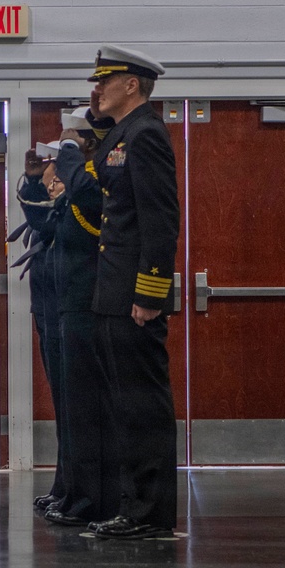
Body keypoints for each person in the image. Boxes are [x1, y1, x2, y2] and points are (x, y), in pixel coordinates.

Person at [83, 45, 179, 540]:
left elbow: (160, 222)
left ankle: (149, 512)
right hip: (112, 292)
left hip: (132, 297)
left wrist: (149, 293)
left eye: (104, 81)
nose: (95, 89)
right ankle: (133, 505)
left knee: (142, 405)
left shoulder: (146, 136)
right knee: (124, 405)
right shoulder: (122, 134)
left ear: (132, 85)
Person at [40, 107, 116, 527]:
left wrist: (69, 155)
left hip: (89, 306)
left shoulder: (95, 181)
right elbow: (44, 226)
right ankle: (75, 491)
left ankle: (91, 497)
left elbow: (86, 201)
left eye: (72, 139)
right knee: (73, 407)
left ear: (89, 142)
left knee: (88, 409)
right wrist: (37, 180)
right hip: (68, 306)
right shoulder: (78, 182)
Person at [15, 147, 65, 510]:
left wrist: (35, 184)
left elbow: (44, 222)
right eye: (49, 183)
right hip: (50, 319)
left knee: (76, 411)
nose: (52, 188)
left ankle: (76, 490)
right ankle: (66, 487)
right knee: (64, 409)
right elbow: (39, 221)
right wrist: (33, 181)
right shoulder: (53, 216)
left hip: (70, 319)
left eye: (57, 181)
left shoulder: (77, 213)